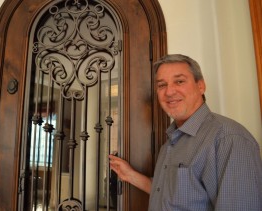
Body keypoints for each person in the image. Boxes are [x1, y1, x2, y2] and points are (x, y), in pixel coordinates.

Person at [109, 54, 262, 210]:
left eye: (179, 81)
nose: (169, 92)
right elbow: (170, 194)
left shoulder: (229, 138)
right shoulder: (172, 140)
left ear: (201, 86)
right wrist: (130, 176)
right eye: (162, 85)